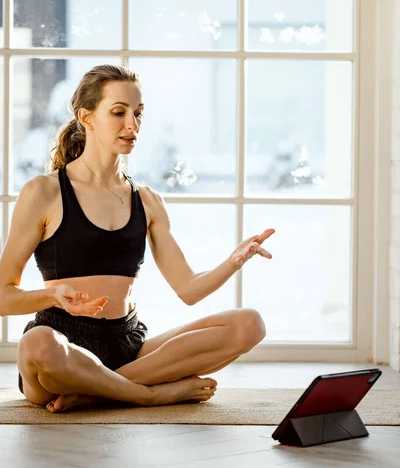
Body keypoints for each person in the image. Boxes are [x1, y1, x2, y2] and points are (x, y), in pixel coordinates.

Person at [0, 64, 275, 413]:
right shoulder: (44, 192)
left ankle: (98, 391)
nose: (133, 125)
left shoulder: (146, 200)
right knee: (38, 344)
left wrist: (234, 261)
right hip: (61, 345)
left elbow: (189, 288)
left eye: (138, 113)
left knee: (249, 324)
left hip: (128, 345)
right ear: (86, 117)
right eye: (118, 113)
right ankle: (147, 393)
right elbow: (2, 296)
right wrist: (52, 295)